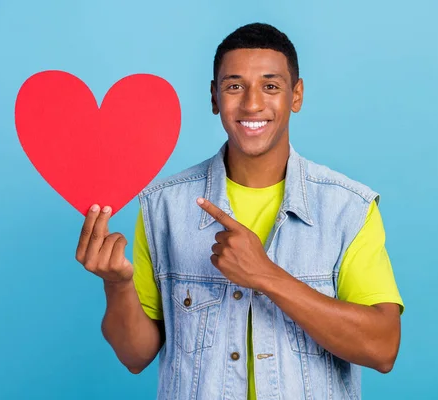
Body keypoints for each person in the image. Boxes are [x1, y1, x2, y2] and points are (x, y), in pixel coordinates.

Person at [75, 22, 404, 400]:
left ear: (296, 95)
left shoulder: (348, 208)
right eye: (234, 86)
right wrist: (116, 285)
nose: (251, 104)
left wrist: (266, 275)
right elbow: (135, 355)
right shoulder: (162, 206)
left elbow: (382, 349)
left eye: (270, 86)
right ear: (215, 97)